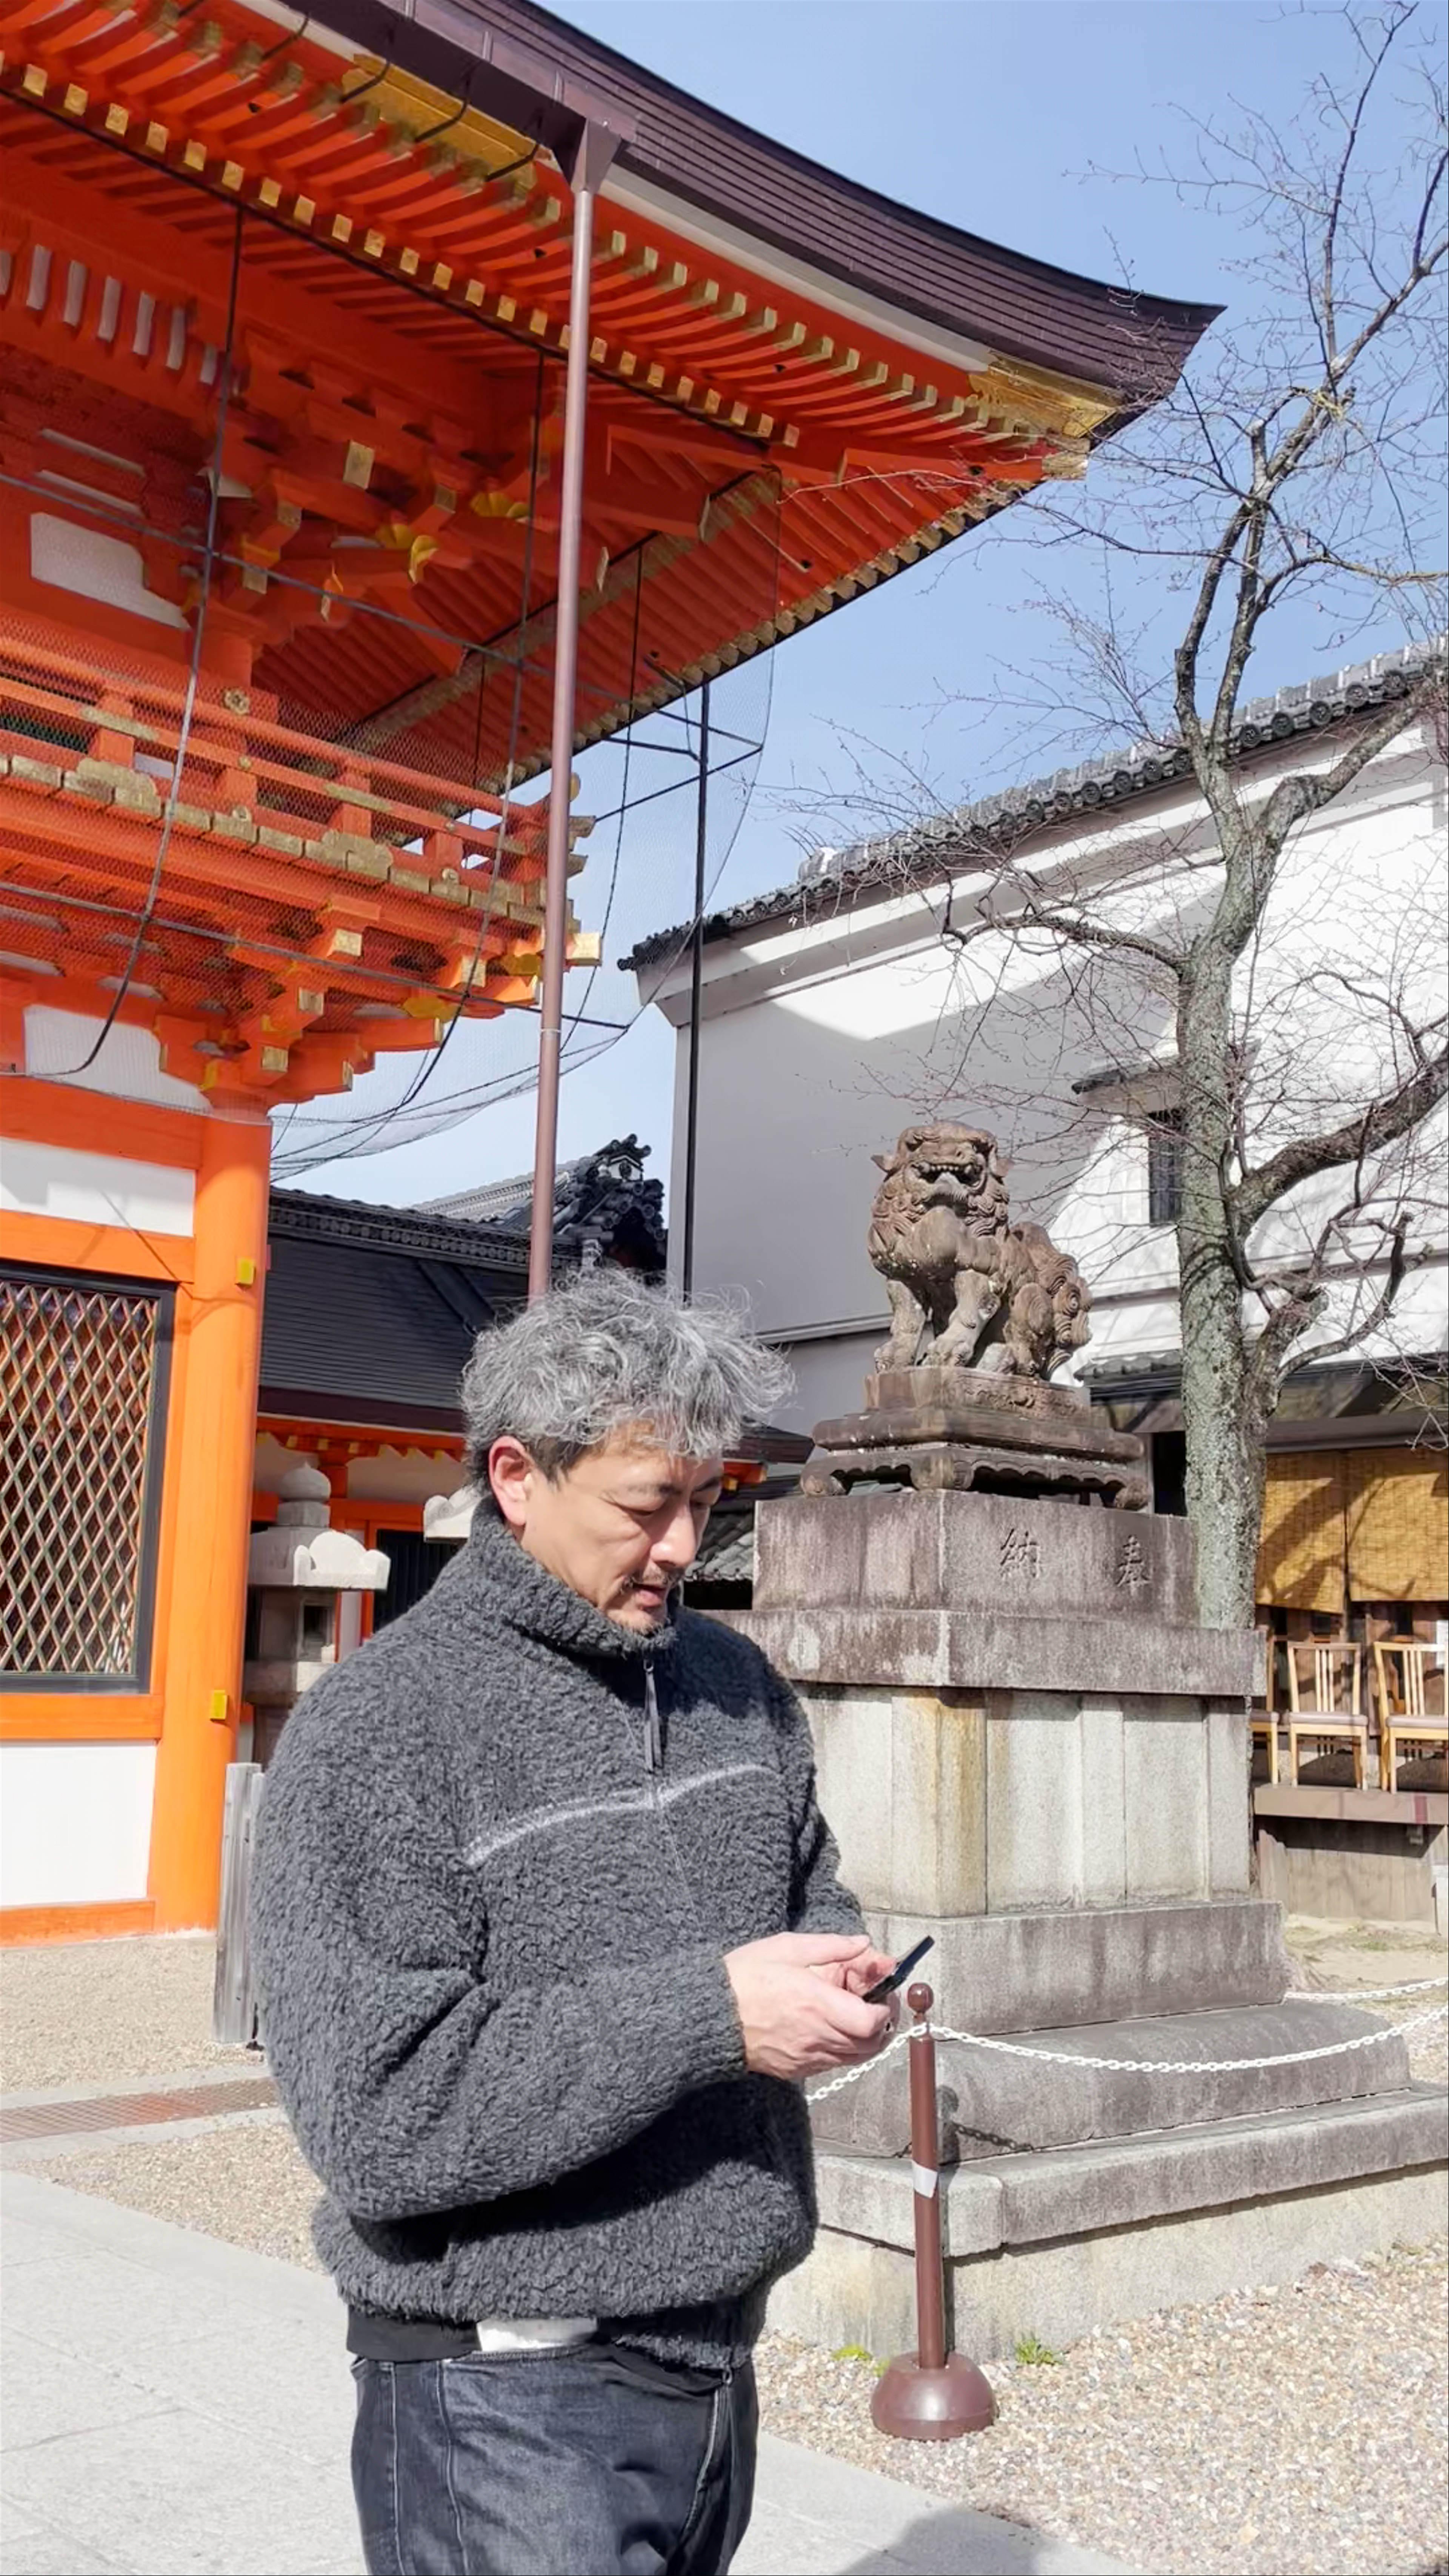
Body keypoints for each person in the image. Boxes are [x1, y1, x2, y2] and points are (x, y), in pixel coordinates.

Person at [251, 1273, 894, 2576]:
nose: (680, 1547)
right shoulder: (381, 1729)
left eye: (707, 1502)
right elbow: (380, 2116)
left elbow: (810, 1887)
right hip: (502, 2395)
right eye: (647, 1505)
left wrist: (838, 1979)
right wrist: (714, 2018)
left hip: (717, 2357)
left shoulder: (733, 1680)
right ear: (516, 1477)